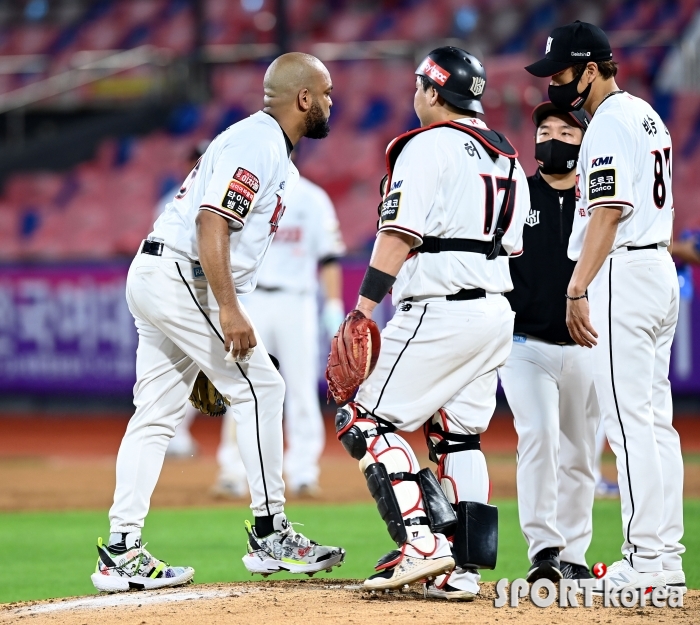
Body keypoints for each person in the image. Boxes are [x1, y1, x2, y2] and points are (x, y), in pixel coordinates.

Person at [90, 52, 345, 593]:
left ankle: (120, 549)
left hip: (166, 275)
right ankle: (271, 532)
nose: (329, 102)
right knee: (263, 385)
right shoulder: (259, 142)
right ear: (303, 98)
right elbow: (213, 222)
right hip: (183, 275)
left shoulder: (268, 146)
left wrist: (213, 323)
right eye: (324, 93)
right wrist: (227, 312)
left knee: (156, 415)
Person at [330, 47, 529, 599]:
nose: (415, 96)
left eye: (421, 87)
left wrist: (364, 308)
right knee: (459, 437)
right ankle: (462, 570)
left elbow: (399, 234)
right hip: (493, 311)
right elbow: (514, 244)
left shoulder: (425, 146)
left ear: (435, 93)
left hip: (442, 308)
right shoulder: (506, 154)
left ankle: (421, 543)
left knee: (362, 417)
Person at [526, 21, 685, 594]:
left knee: (626, 424)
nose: (555, 85)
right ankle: (665, 556)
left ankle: (644, 560)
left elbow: (609, 211)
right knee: (655, 423)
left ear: (590, 69)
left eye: (562, 74)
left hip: (625, 270)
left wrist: (576, 288)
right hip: (657, 266)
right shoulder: (645, 115)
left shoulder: (610, 125)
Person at [499, 101, 598, 584]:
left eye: (566, 130)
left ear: (585, 141)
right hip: (525, 343)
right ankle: (544, 550)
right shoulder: (516, 193)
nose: (553, 136)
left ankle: (576, 554)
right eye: (545, 129)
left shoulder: (596, 203)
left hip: (586, 344)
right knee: (538, 436)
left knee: (580, 451)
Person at [213, 173, 346, 498]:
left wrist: (333, 304)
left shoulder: (313, 198)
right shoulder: (249, 193)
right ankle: (233, 471)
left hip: (297, 300)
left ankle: (303, 473)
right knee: (245, 386)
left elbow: (329, 257)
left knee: (300, 389)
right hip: (251, 300)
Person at [153, 143, 208, 459]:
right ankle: (167, 434)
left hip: (204, 291)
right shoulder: (169, 201)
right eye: (193, 160)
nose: (196, 165)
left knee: (200, 367)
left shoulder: (220, 197)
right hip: (177, 291)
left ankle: (175, 433)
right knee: (176, 365)